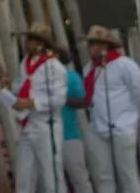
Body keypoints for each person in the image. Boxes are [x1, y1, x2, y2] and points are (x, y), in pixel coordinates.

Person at [82, 25, 140, 193]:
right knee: (103, 177)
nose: (90, 47)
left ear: (105, 46)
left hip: (121, 127)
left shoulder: (124, 64)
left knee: (127, 175)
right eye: (89, 43)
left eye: (94, 43)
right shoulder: (89, 69)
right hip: (97, 128)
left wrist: (129, 116)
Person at [3, 23, 67, 193]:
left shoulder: (54, 67)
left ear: (41, 43)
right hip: (27, 124)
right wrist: (13, 89)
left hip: (46, 125)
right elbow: (25, 86)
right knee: (24, 176)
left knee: (51, 175)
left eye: (30, 39)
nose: (26, 43)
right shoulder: (25, 63)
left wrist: (33, 102)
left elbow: (59, 98)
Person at [55, 46, 93, 193]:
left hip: (69, 135)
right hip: (44, 137)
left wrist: (61, 98)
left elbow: (84, 100)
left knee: (79, 178)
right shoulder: (35, 78)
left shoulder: (70, 77)